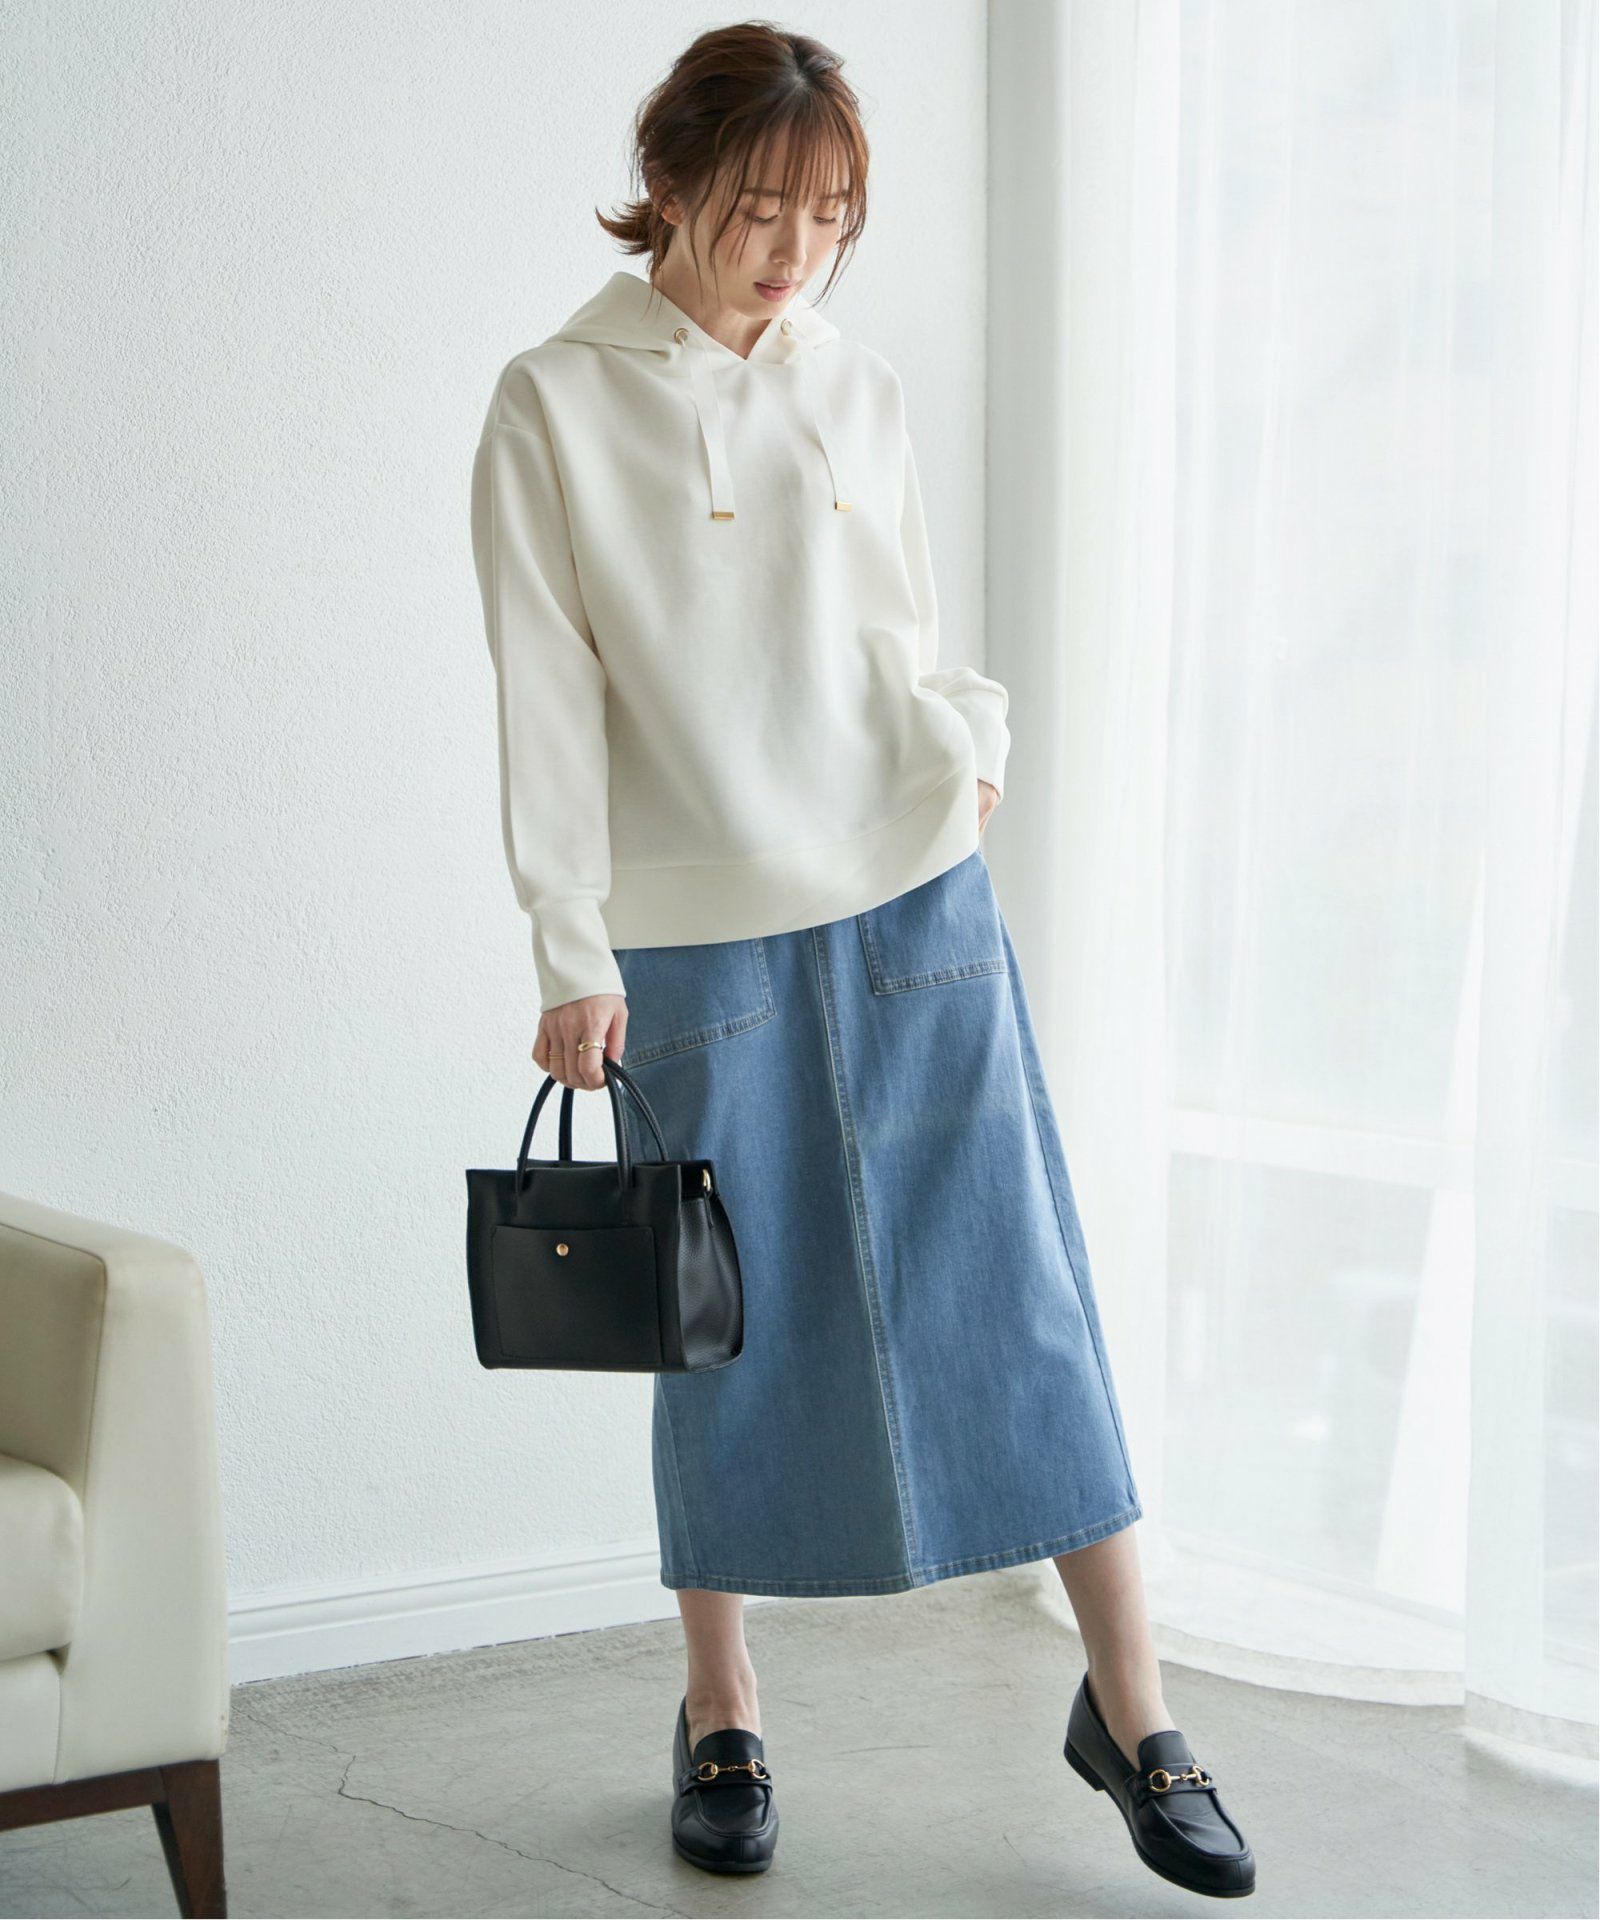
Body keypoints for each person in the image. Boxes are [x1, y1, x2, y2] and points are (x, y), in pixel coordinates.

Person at [470, 20, 1255, 1901]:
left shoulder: (856, 385)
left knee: (1018, 1287)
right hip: (693, 932)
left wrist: (974, 744)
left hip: (915, 897)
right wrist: (570, 945)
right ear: (670, 182)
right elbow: (546, 691)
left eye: (829, 217)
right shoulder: (552, 403)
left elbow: (907, 627)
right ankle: (721, 1708)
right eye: (762, 210)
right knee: (721, 1330)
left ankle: (1136, 1711)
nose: (795, 253)